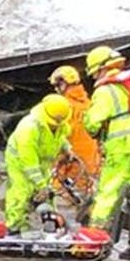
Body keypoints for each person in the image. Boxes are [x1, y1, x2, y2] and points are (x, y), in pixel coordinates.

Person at [81, 45, 130, 260]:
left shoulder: (105, 91)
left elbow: (93, 124)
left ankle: (95, 243)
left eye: (94, 72)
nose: (94, 76)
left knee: (108, 195)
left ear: (101, 69)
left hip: (121, 149)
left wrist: (90, 124)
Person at [5, 95, 75, 234]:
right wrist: (41, 185)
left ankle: (50, 225)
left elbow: (60, 138)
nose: (56, 124)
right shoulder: (29, 128)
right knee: (21, 192)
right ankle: (13, 227)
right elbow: (29, 162)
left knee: (48, 196)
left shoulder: (60, 125)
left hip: (43, 163)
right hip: (19, 162)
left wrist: (67, 149)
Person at [47, 65, 100, 215]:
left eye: (57, 85)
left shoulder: (63, 108)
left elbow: (61, 141)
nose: (56, 89)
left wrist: (57, 175)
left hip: (71, 170)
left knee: (66, 219)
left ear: (64, 83)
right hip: (91, 171)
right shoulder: (89, 105)